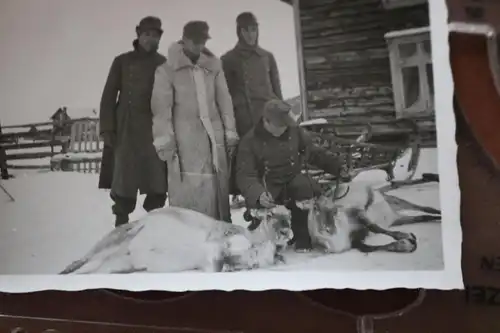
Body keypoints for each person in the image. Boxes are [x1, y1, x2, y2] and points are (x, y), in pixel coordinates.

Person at [151, 21, 239, 223]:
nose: (199, 46)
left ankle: (220, 239)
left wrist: (230, 131)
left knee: (217, 191)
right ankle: (191, 242)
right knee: (190, 195)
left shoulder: (213, 67)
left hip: (214, 138)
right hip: (186, 140)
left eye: (203, 41)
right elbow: (161, 110)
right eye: (196, 41)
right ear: (185, 39)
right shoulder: (167, 71)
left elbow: (224, 100)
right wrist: (165, 140)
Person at [235, 99, 345, 252]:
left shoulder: (294, 132)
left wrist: (337, 166)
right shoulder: (249, 141)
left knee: (305, 189)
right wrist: (258, 194)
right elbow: (245, 175)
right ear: (266, 121)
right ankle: (265, 237)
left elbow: (313, 152)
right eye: (281, 125)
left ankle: (303, 237)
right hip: (267, 184)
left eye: (286, 124)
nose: (285, 128)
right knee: (263, 212)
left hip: (291, 177)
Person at [98, 16, 168, 227]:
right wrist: (108, 128)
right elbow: (109, 96)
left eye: (155, 35)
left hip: (154, 129)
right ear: (138, 35)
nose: (150, 39)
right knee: (124, 177)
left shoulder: (164, 64)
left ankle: (154, 224)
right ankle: (121, 220)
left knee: (157, 178)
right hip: (126, 128)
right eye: (147, 34)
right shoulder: (122, 62)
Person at [220, 12, 284, 208]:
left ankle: (277, 204)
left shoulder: (267, 57)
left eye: (254, 29)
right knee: (249, 166)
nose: (250, 34)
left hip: (267, 117)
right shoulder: (228, 59)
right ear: (239, 32)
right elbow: (224, 95)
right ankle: (254, 207)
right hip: (243, 120)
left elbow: (276, 90)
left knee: (273, 163)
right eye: (246, 30)